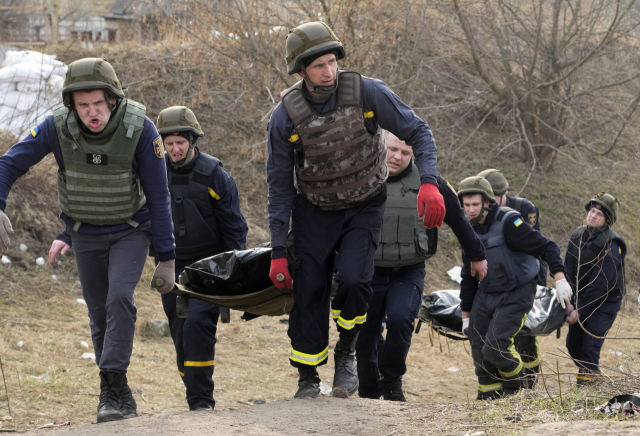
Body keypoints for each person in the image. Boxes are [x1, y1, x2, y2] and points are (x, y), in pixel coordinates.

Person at [266, 22, 446, 399]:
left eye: (332, 61)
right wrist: (278, 253)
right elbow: (279, 186)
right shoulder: (285, 116)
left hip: (365, 203)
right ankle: (308, 374)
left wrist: (428, 181)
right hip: (314, 210)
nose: (329, 71)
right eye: (318, 66)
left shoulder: (367, 92)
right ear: (301, 71)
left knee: (353, 280)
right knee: (310, 290)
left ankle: (346, 348)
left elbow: (419, 132)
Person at [0, 58, 176, 423]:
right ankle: (118, 388)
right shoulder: (57, 127)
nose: (91, 113)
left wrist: (167, 256)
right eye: (83, 105)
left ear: (113, 99)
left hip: (131, 229)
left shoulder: (141, 130)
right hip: (84, 232)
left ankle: (108, 390)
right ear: (72, 105)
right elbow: (9, 163)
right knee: (99, 317)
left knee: (120, 299)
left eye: (98, 103)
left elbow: (159, 196)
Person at [356, 132, 487, 401]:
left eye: (405, 153)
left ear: (413, 154)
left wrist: (477, 254)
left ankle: (392, 382)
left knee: (402, 319)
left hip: (408, 269)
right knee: (366, 331)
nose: (397, 157)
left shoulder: (430, 183)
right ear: (381, 145)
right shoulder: (362, 177)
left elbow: (459, 220)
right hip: (368, 271)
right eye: (392, 149)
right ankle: (369, 389)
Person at [152, 106, 248, 410]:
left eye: (181, 142)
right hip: (171, 263)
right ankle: (195, 390)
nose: (175, 149)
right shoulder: (154, 173)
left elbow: (235, 228)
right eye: (169, 143)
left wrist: (235, 272)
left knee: (196, 324)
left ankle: (201, 402)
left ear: (193, 140)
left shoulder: (215, 175)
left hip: (211, 265)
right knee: (180, 331)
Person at [457, 176, 570, 400]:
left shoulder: (510, 223)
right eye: (466, 205)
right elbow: (468, 276)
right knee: (479, 350)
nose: (470, 210)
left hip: (517, 290)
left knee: (495, 347)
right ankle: (489, 399)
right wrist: (466, 316)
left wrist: (559, 277)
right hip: (486, 291)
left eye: (475, 205)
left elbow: (546, 246)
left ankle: (519, 392)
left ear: (488, 202)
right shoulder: (467, 229)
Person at [477, 168, 545, 386]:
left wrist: (540, 288)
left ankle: (530, 379)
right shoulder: (480, 212)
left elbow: (537, 247)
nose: (490, 203)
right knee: (498, 337)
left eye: (494, 198)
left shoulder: (524, 208)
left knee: (525, 336)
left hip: (524, 280)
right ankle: (508, 381)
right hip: (497, 281)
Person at [564, 193, 625, 384]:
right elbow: (568, 270)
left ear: (607, 219)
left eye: (599, 214)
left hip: (605, 302)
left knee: (590, 346)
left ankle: (585, 392)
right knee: (573, 346)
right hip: (581, 298)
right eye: (592, 211)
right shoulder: (577, 235)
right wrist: (569, 302)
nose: (593, 216)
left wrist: (579, 310)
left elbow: (602, 282)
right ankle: (594, 378)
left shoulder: (612, 244)